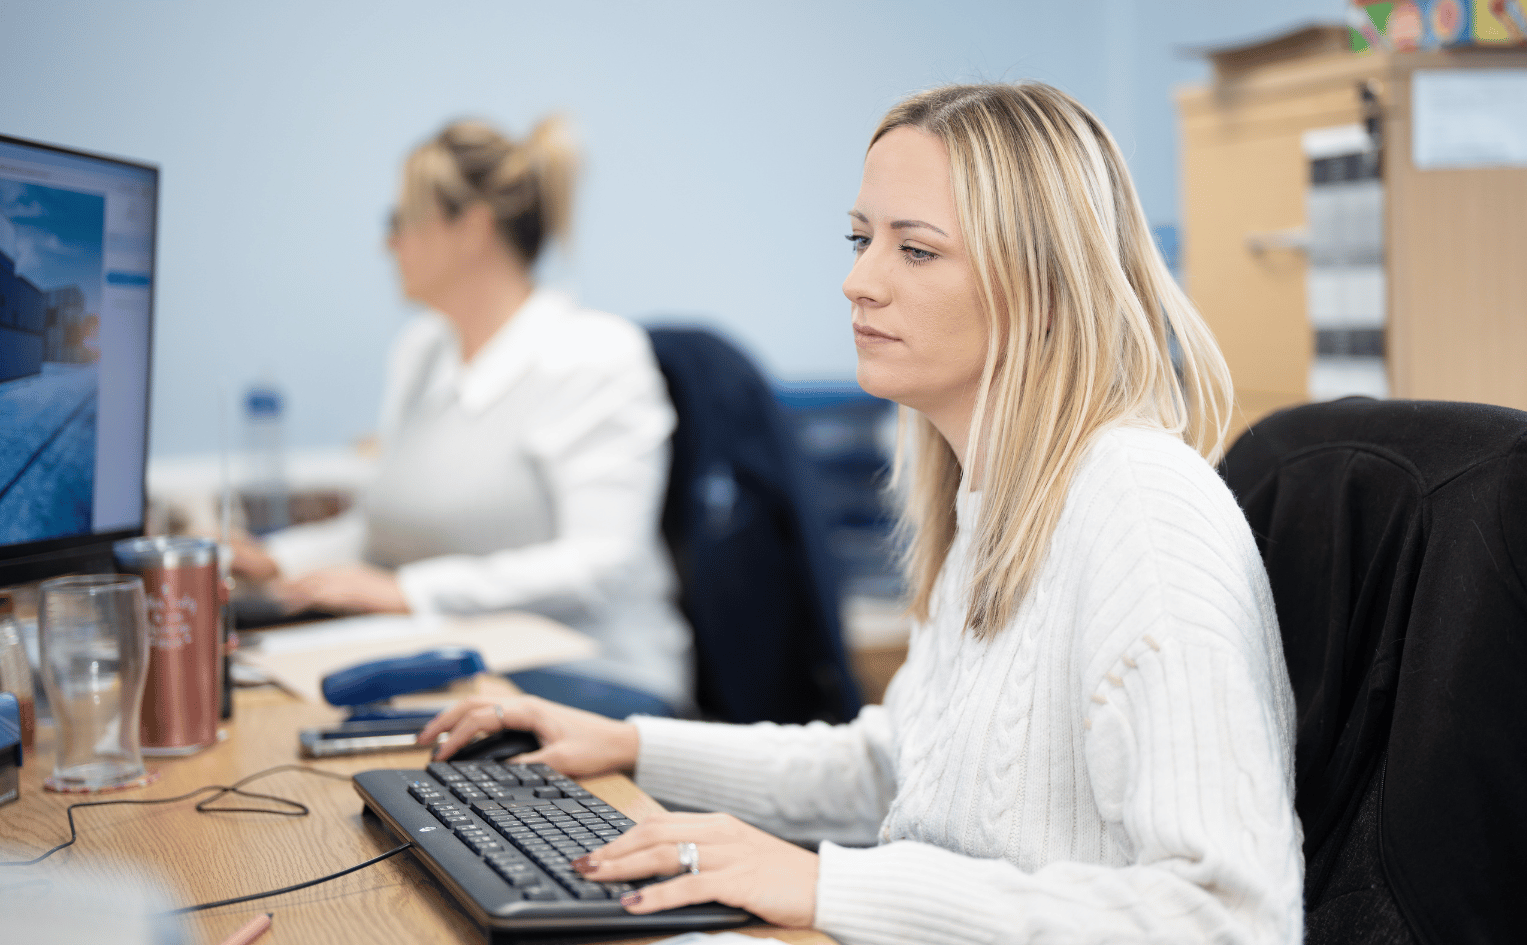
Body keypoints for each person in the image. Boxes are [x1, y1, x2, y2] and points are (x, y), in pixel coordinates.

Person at [421, 82, 1303, 942]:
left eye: (914, 250)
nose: (857, 281)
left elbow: (1230, 918)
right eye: (859, 238)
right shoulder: (998, 502)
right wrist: (631, 744)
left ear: (1043, 283)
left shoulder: (1141, 511)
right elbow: (889, 767)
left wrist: (828, 882)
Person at [237, 117, 692, 716]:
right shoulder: (421, 353)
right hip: (457, 655)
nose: (388, 243)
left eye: (400, 221)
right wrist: (279, 560)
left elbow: (600, 564)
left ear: (472, 229)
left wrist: (408, 592)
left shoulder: (594, 356)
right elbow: (389, 530)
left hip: (596, 676)